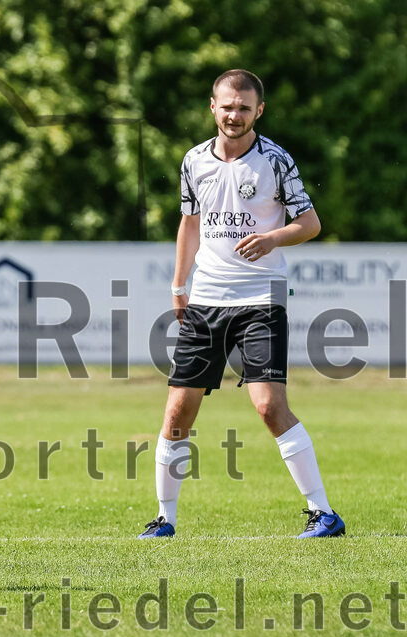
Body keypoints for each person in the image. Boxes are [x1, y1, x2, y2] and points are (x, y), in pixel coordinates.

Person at [139, 69, 345, 539]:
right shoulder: (194, 160)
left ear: (259, 111)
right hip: (206, 300)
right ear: (213, 106)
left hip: (261, 298)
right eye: (227, 106)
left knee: (269, 407)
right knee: (176, 413)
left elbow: (310, 223)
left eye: (244, 108)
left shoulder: (274, 160)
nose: (235, 115)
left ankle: (323, 514)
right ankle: (164, 520)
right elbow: (189, 224)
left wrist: (272, 238)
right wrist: (178, 284)